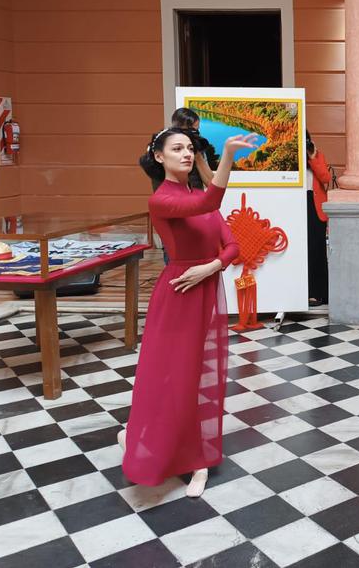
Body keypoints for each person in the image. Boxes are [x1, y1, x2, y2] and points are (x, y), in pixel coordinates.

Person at [120, 127, 258, 497]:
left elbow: (232, 246)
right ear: (159, 157)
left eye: (189, 148)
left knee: (200, 377)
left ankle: (190, 452)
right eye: (176, 148)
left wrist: (210, 267)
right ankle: (174, 452)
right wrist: (226, 156)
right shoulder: (162, 200)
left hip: (203, 289)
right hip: (179, 294)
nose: (185, 153)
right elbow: (208, 205)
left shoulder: (196, 194)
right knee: (172, 376)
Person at [305, 131, 331, 306]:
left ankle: (318, 293)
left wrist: (312, 157)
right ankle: (301, 290)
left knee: (316, 249)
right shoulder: (289, 157)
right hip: (295, 204)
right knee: (301, 250)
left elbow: (326, 178)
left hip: (314, 205)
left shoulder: (317, 155)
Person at [171, 107, 218, 190]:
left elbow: (211, 185)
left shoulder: (198, 150)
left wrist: (197, 156)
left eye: (196, 131)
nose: (194, 135)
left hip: (197, 199)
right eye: (191, 131)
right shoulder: (165, 150)